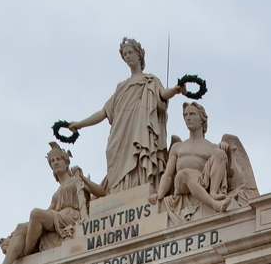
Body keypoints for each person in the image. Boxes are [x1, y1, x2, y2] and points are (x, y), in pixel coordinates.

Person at [67, 38, 184, 193]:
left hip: (141, 128)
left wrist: (175, 89)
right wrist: (80, 124)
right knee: (113, 155)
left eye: (130, 52)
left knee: (140, 154)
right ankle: (119, 194)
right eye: (124, 54)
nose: (127, 57)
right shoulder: (121, 87)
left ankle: (141, 189)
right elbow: (103, 112)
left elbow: (163, 93)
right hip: (120, 131)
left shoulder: (150, 80)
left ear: (139, 55)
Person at [0, 143, 104, 264]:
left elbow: (101, 192)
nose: (55, 163)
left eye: (58, 159)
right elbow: (47, 213)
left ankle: (26, 252)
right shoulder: (57, 193)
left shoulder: (76, 180)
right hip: (58, 217)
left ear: (66, 162)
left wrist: (83, 178)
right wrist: (13, 235)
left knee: (35, 214)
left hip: (72, 217)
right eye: (52, 161)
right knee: (21, 227)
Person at [152, 102, 231, 218]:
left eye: (192, 114)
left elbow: (225, 169)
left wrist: (225, 149)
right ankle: (215, 205)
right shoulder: (177, 146)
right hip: (181, 183)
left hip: (201, 181)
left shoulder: (213, 147)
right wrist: (159, 195)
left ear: (202, 119)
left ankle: (213, 193)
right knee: (184, 174)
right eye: (185, 115)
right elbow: (168, 175)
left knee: (220, 153)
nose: (188, 118)